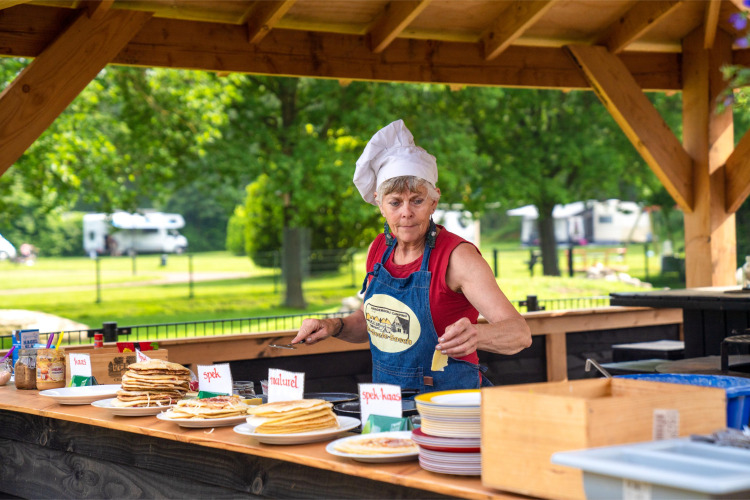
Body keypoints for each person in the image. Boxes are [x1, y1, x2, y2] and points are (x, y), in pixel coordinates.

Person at [293, 119, 532, 393]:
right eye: (395, 202)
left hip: (450, 402)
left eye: (417, 200)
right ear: (380, 204)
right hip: (387, 402)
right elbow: (374, 323)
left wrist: (477, 335)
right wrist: (334, 325)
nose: (406, 212)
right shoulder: (378, 249)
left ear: (434, 201)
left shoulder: (459, 257)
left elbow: (520, 334)